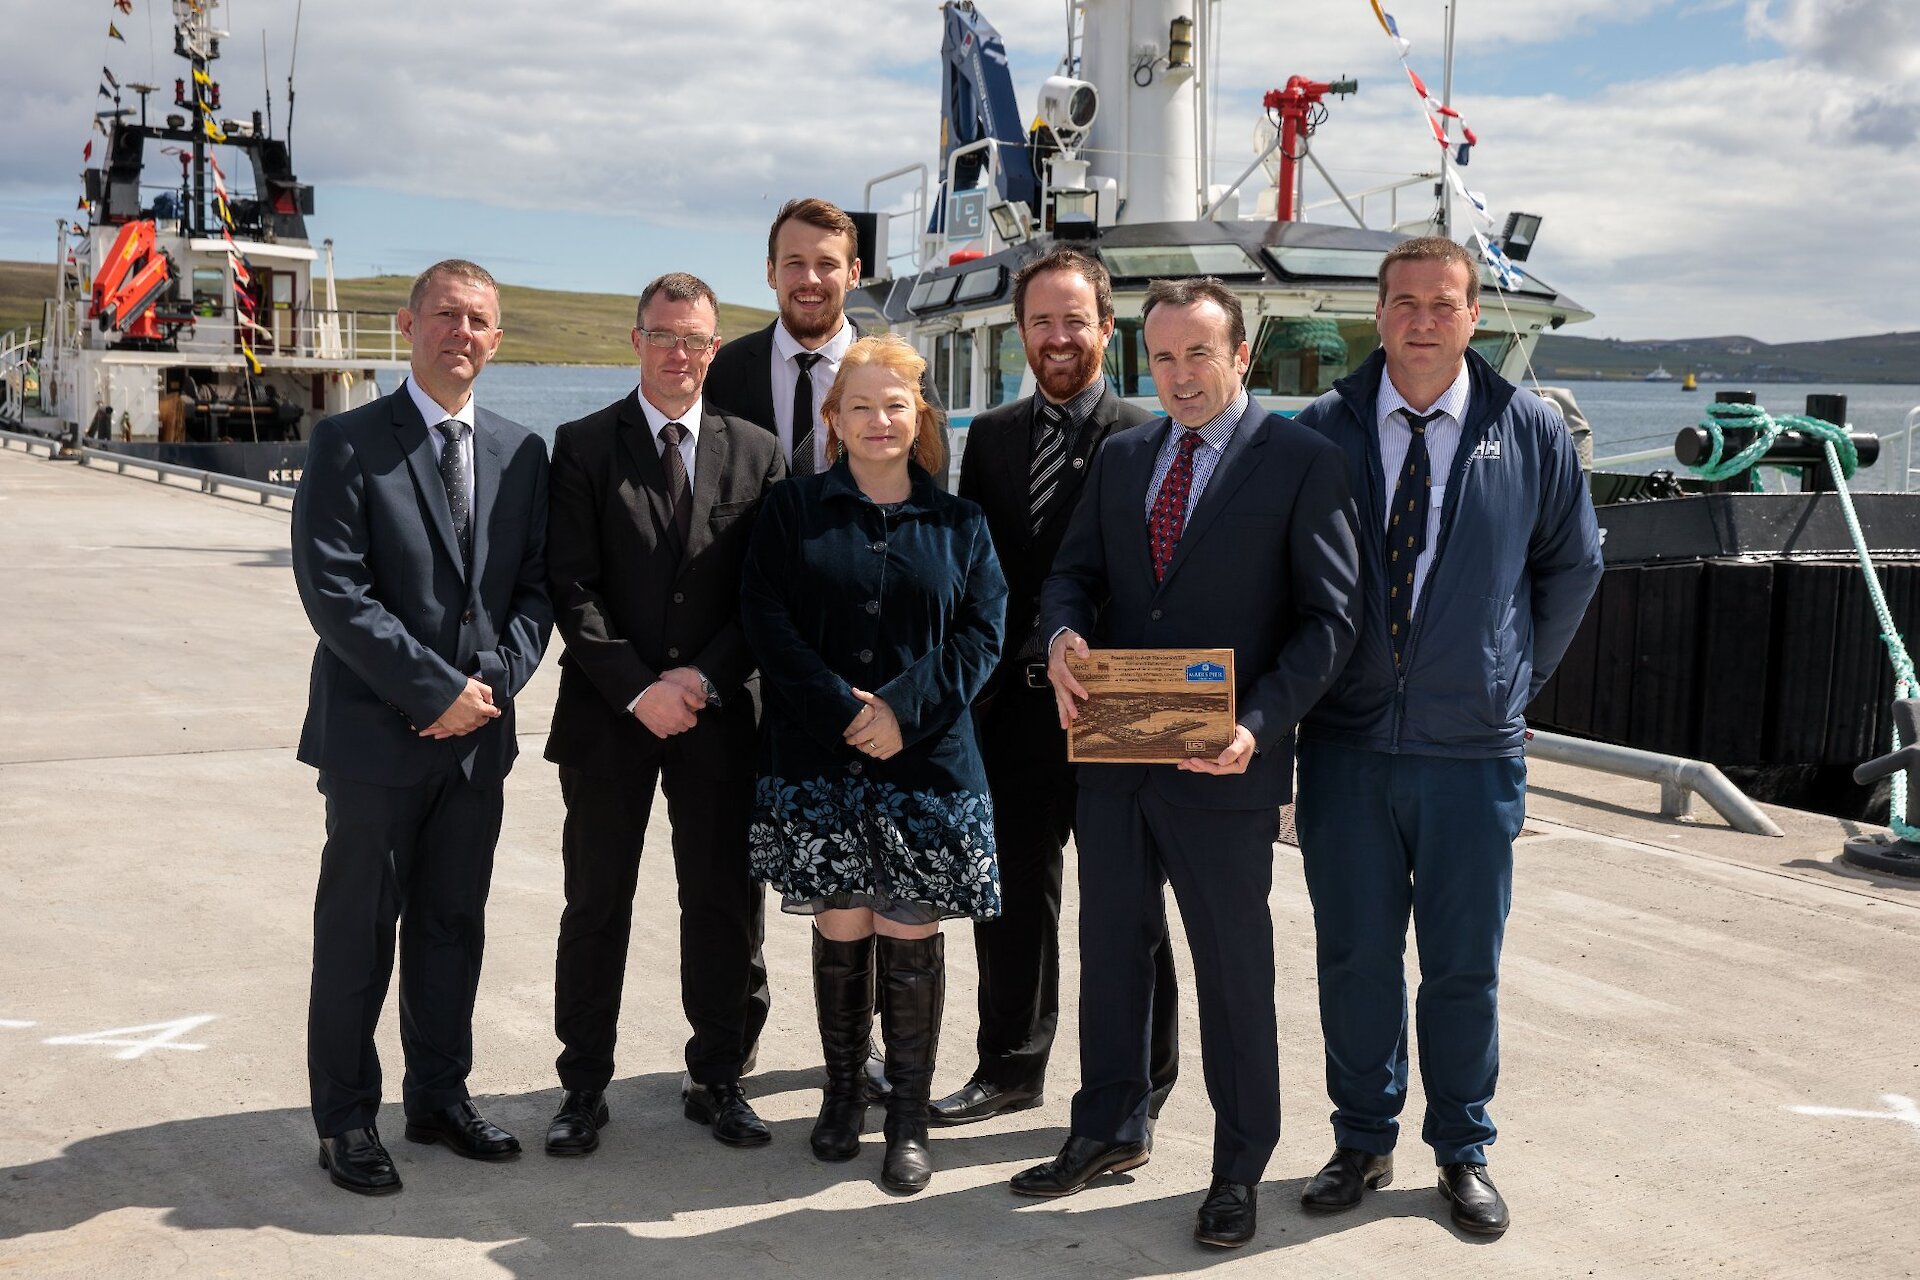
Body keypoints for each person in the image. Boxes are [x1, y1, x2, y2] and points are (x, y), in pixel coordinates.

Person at [1011, 277, 1362, 1250]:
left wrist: (1260, 722)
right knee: (1112, 950)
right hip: (1119, 746)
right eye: (1162, 357)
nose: (1179, 375)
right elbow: (1074, 574)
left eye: (1198, 354)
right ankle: (1108, 1126)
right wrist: (1062, 637)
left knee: (1232, 967)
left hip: (1225, 758)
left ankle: (1238, 1166)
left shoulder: (1302, 462)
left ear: (1241, 355)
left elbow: (1331, 619)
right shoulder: (1125, 456)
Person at [1291, 235, 1602, 1238]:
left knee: (1464, 962)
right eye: (1405, 300)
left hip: (1472, 753)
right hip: (1345, 745)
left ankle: (1462, 1147)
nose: (1423, 319)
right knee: (1355, 955)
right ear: (1375, 314)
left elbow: (1573, 567)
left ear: (1474, 317)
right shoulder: (1320, 431)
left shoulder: (1530, 429)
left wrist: (1514, 681)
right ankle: (1361, 1135)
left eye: (1444, 302)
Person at [291, 258, 553, 1196]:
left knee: (452, 927)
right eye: (445, 315)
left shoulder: (523, 453)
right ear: (410, 326)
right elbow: (335, 592)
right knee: (359, 934)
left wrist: (487, 687)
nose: (462, 334)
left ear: (496, 335)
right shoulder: (349, 442)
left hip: (477, 742)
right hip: (374, 741)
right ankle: (346, 1121)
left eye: (479, 319)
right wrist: (429, 689)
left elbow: (532, 590)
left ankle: (439, 1099)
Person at [740, 334, 1006, 1195]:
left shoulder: (961, 524)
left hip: (927, 768)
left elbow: (981, 635)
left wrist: (900, 712)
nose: (879, 420)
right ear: (835, 418)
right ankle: (843, 1094)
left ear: (918, 416)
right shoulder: (792, 510)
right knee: (842, 924)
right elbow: (765, 618)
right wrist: (842, 709)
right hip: (819, 761)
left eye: (896, 405)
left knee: (910, 931)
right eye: (861, 405)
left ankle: (907, 1118)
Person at [542, 272, 786, 1156]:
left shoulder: (756, 451)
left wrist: (701, 683)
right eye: (664, 335)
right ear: (635, 339)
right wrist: (641, 688)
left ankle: (720, 1076)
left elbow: (763, 594)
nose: (680, 354)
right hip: (610, 719)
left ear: (715, 348)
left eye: (697, 340)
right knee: (596, 902)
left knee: (722, 901)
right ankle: (582, 1086)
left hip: (719, 722)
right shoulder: (581, 446)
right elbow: (571, 584)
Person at [936, 247, 1180, 1127]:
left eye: (1074, 319)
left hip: (1117, 700)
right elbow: (978, 572)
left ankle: (1143, 1084)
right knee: (1011, 899)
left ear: (1106, 328)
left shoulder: (1148, 437)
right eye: (1040, 321)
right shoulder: (993, 438)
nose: (1057, 337)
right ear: (1020, 332)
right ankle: (1008, 1066)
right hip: (1012, 706)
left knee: (1128, 901)